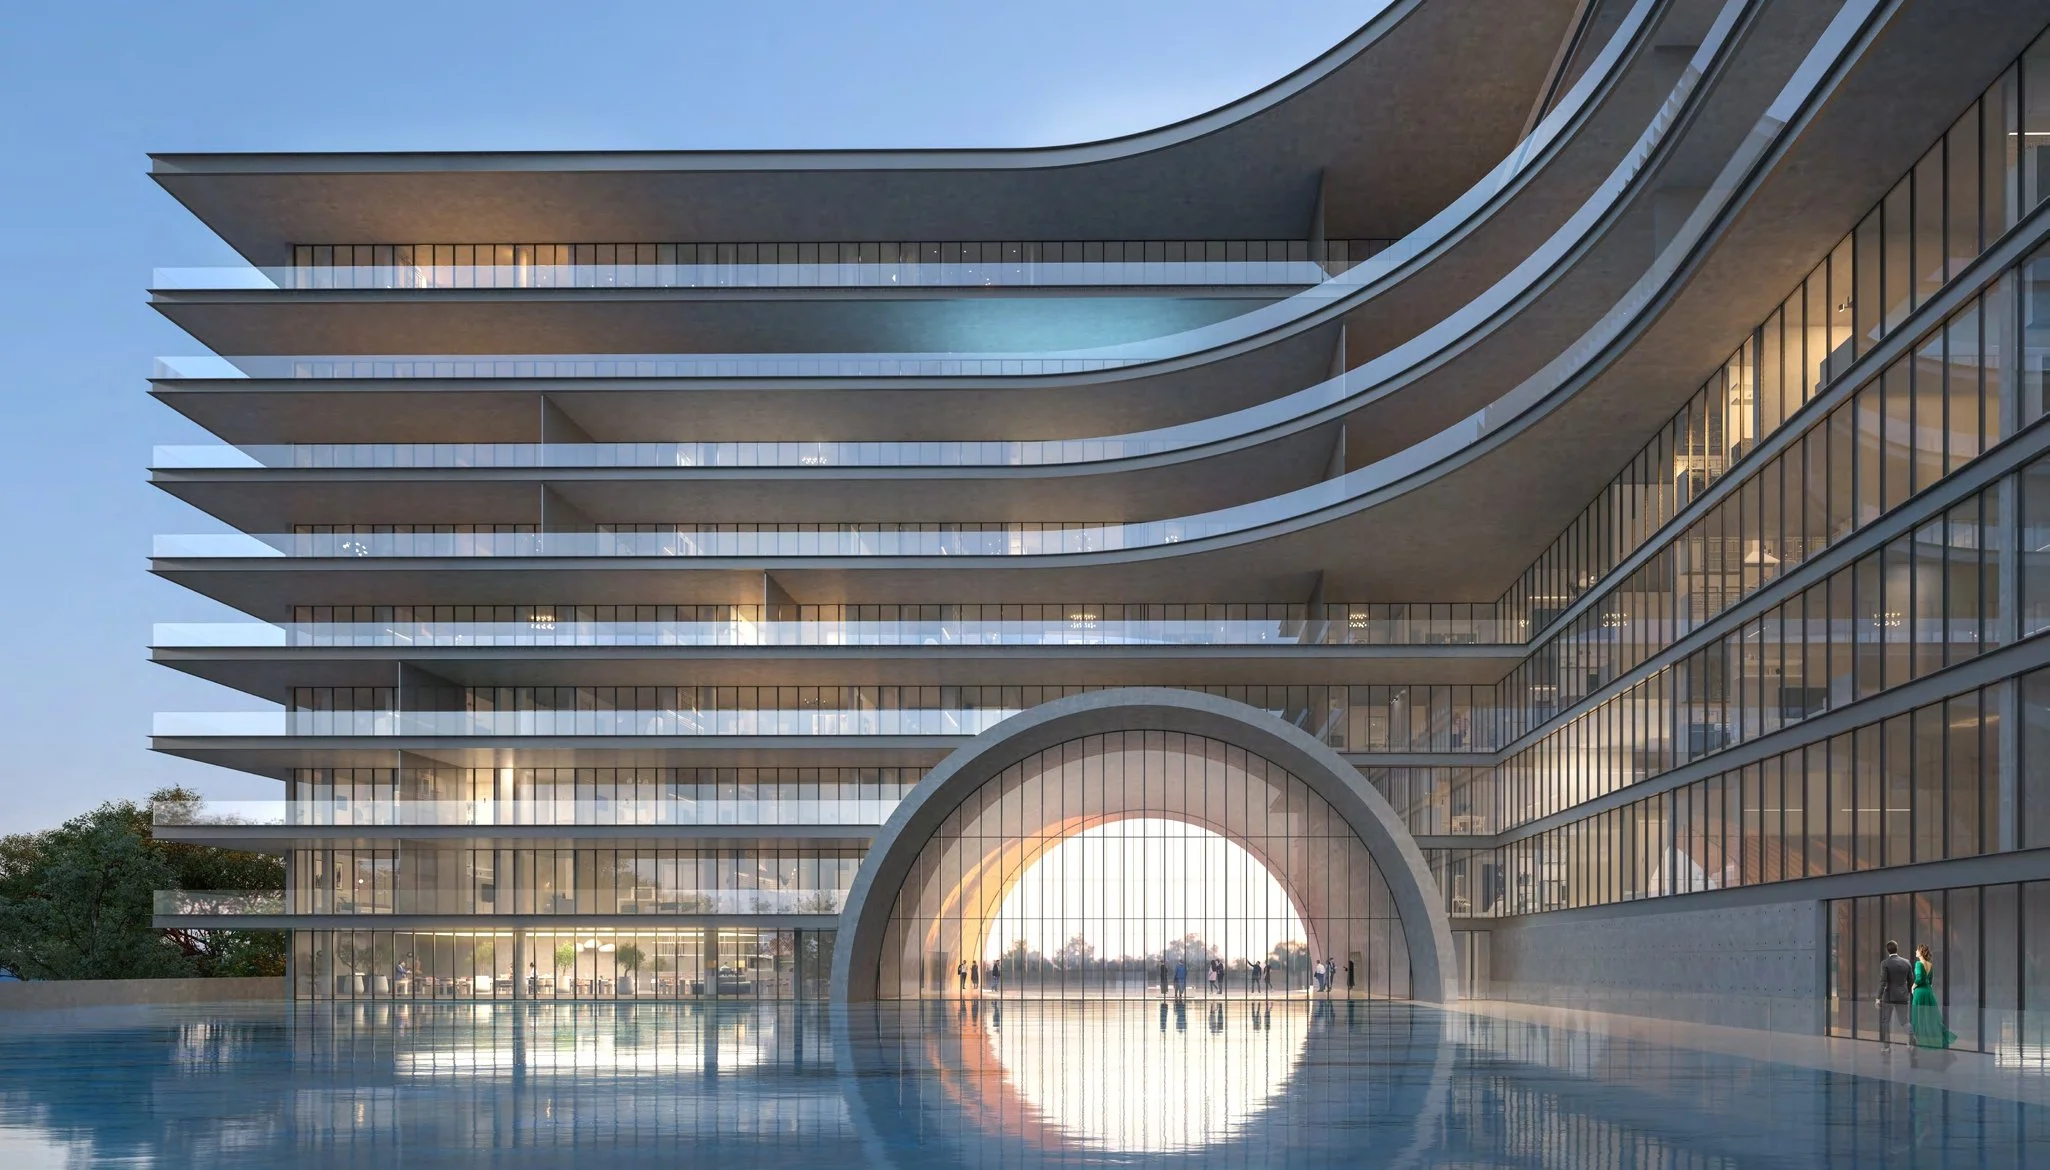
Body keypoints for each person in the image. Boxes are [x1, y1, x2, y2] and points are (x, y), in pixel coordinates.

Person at [1910, 944, 1956, 1050]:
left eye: (1917, 950)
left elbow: (1919, 979)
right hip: (1928, 992)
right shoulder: (1930, 965)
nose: (1916, 951)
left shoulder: (1918, 964)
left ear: (1921, 952)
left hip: (1920, 992)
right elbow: (1930, 982)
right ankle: (1936, 1040)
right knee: (1930, 1017)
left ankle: (1921, 1041)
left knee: (1918, 1017)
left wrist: (1913, 987)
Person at [1875, 940, 1913, 1053]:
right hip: (1902, 997)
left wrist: (1878, 998)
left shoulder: (1885, 963)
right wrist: (1908, 993)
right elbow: (1911, 981)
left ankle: (1886, 1047)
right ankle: (1912, 1041)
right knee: (1904, 1021)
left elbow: (1883, 982)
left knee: (1886, 1021)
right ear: (1897, 948)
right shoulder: (1906, 962)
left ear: (1888, 950)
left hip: (1889, 997)